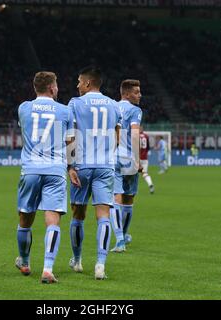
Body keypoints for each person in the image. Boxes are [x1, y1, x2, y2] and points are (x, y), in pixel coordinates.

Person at [15, 71, 78, 284]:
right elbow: (71, 143)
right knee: (53, 221)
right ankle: (47, 269)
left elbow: (25, 133)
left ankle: (24, 261)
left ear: (35, 88)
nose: (58, 88)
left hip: (31, 169)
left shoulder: (23, 108)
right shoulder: (65, 111)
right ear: (52, 88)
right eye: (57, 85)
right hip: (55, 170)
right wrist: (71, 167)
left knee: (25, 220)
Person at [68, 66, 121, 280]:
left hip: (82, 165)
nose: (77, 85)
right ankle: (100, 264)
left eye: (79, 81)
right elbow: (118, 137)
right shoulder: (114, 106)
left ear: (88, 83)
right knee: (103, 217)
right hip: (105, 166)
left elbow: (70, 136)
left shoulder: (75, 103)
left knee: (78, 215)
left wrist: (70, 165)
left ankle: (78, 260)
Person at [110, 79, 143, 253]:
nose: (140, 95)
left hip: (113, 157)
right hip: (129, 157)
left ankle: (120, 239)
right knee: (128, 199)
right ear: (127, 93)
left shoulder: (112, 107)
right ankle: (123, 234)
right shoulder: (135, 110)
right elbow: (136, 133)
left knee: (117, 197)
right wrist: (138, 160)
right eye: (136, 92)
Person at [140, 126, 154, 194]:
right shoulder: (146, 136)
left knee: (131, 174)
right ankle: (150, 184)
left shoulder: (135, 135)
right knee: (145, 173)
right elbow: (148, 147)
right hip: (145, 158)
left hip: (137, 158)